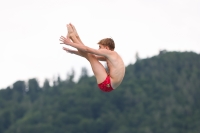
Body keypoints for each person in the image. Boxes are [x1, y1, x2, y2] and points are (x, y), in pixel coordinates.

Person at [59, 23, 125, 92]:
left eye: (100, 47)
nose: (99, 49)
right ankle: (75, 36)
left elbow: (87, 50)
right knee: (90, 56)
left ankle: (72, 36)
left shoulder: (110, 53)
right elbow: (87, 55)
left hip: (107, 83)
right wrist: (72, 51)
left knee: (90, 56)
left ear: (106, 47)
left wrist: (70, 43)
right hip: (108, 84)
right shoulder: (112, 57)